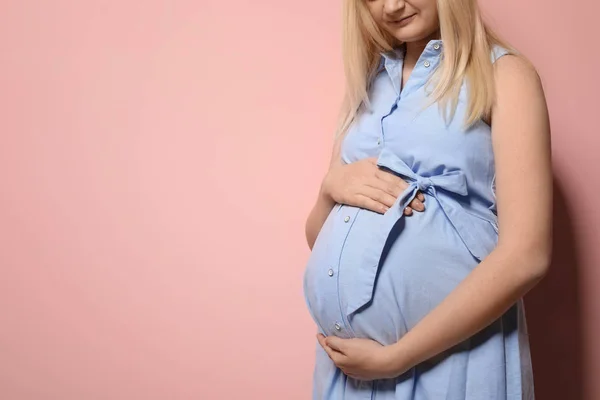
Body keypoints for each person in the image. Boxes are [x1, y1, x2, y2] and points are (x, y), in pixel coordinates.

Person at [302, 0, 552, 399]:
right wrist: (330, 188)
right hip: (348, 374)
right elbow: (319, 238)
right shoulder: (370, 82)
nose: (391, 5)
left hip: (453, 361)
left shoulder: (505, 75)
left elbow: (528, 255)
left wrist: (397, 356)